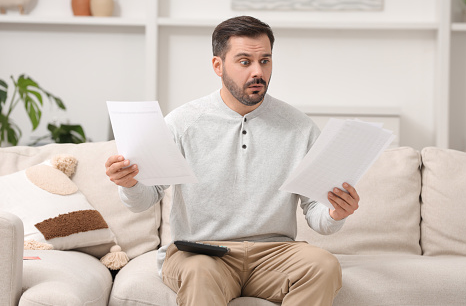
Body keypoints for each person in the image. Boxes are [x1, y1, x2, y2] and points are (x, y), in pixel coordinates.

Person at [105, 15, 360, 306]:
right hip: (201, 253)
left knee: (323, 264)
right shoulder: (183, 122)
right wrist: (129, 183)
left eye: (265, 61)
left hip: (274, 253)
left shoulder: (299, 128)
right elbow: (142, 201)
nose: (257, 72)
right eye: (244, 62)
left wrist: (335, 214)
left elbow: (316, 214)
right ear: (218, 65)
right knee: (200, 271)